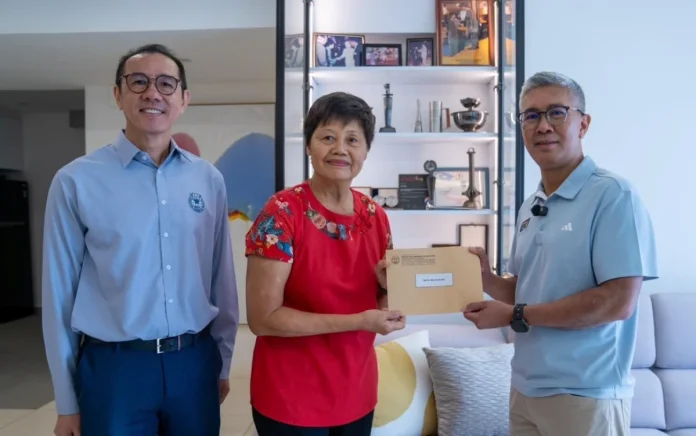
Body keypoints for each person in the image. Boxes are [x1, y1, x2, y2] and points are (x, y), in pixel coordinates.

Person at [41, 43, 239, 436]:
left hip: (193, 362)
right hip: (115, 368)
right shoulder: (76, 181)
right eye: (138, 82)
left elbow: (222, 279)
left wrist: (223, 362)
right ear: (118, 95)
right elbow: (58, 296)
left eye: (166, 84)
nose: (152, 93)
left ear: (183, 99)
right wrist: (66, 401)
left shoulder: (207, 180)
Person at [463, 71, 658, 436]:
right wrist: (487, 279)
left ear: (583, 123)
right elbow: (525, 289)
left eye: (556, 112)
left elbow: (618, 302)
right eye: (531, 116)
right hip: (525, 389)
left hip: (585, 394)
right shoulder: (530, 205)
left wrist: (516, 314)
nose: (542, 126)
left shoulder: (614, 196)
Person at [244, 91, 406, 435]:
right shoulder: (281, 213)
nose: (340, 149)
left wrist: (389, 290)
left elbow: (383, 307)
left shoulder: (376, 216)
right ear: (308, 145)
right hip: (291, 395)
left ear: (366, 151)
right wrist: (358, 321)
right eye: (327, 137)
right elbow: (263, 319)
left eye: (353, 140)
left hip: (356, 391)